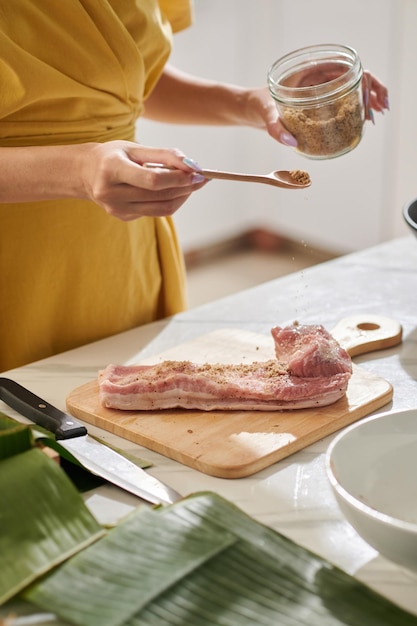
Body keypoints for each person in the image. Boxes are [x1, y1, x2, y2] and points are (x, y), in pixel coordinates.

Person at [0, 1, 389, 372]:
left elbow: (123, 79)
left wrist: (254, 104)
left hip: (122, 248)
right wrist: (78, 170)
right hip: (16, 258)